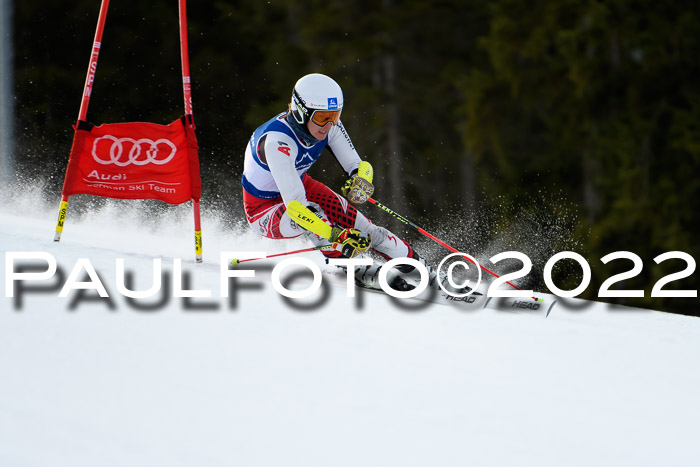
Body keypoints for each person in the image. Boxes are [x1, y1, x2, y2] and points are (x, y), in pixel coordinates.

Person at [240, 73, 449, 291]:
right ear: (301, 112)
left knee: (367, 230)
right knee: (314, 217)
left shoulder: (329, 127)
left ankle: (424, 271)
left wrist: (361, 180)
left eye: (335, 115)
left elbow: (358, 165)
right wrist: (335, 235)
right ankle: (354, 268)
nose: (329, 125)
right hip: (264, 210)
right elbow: (296, 208)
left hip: (302, 188)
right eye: (322, 118)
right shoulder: (277, 142)